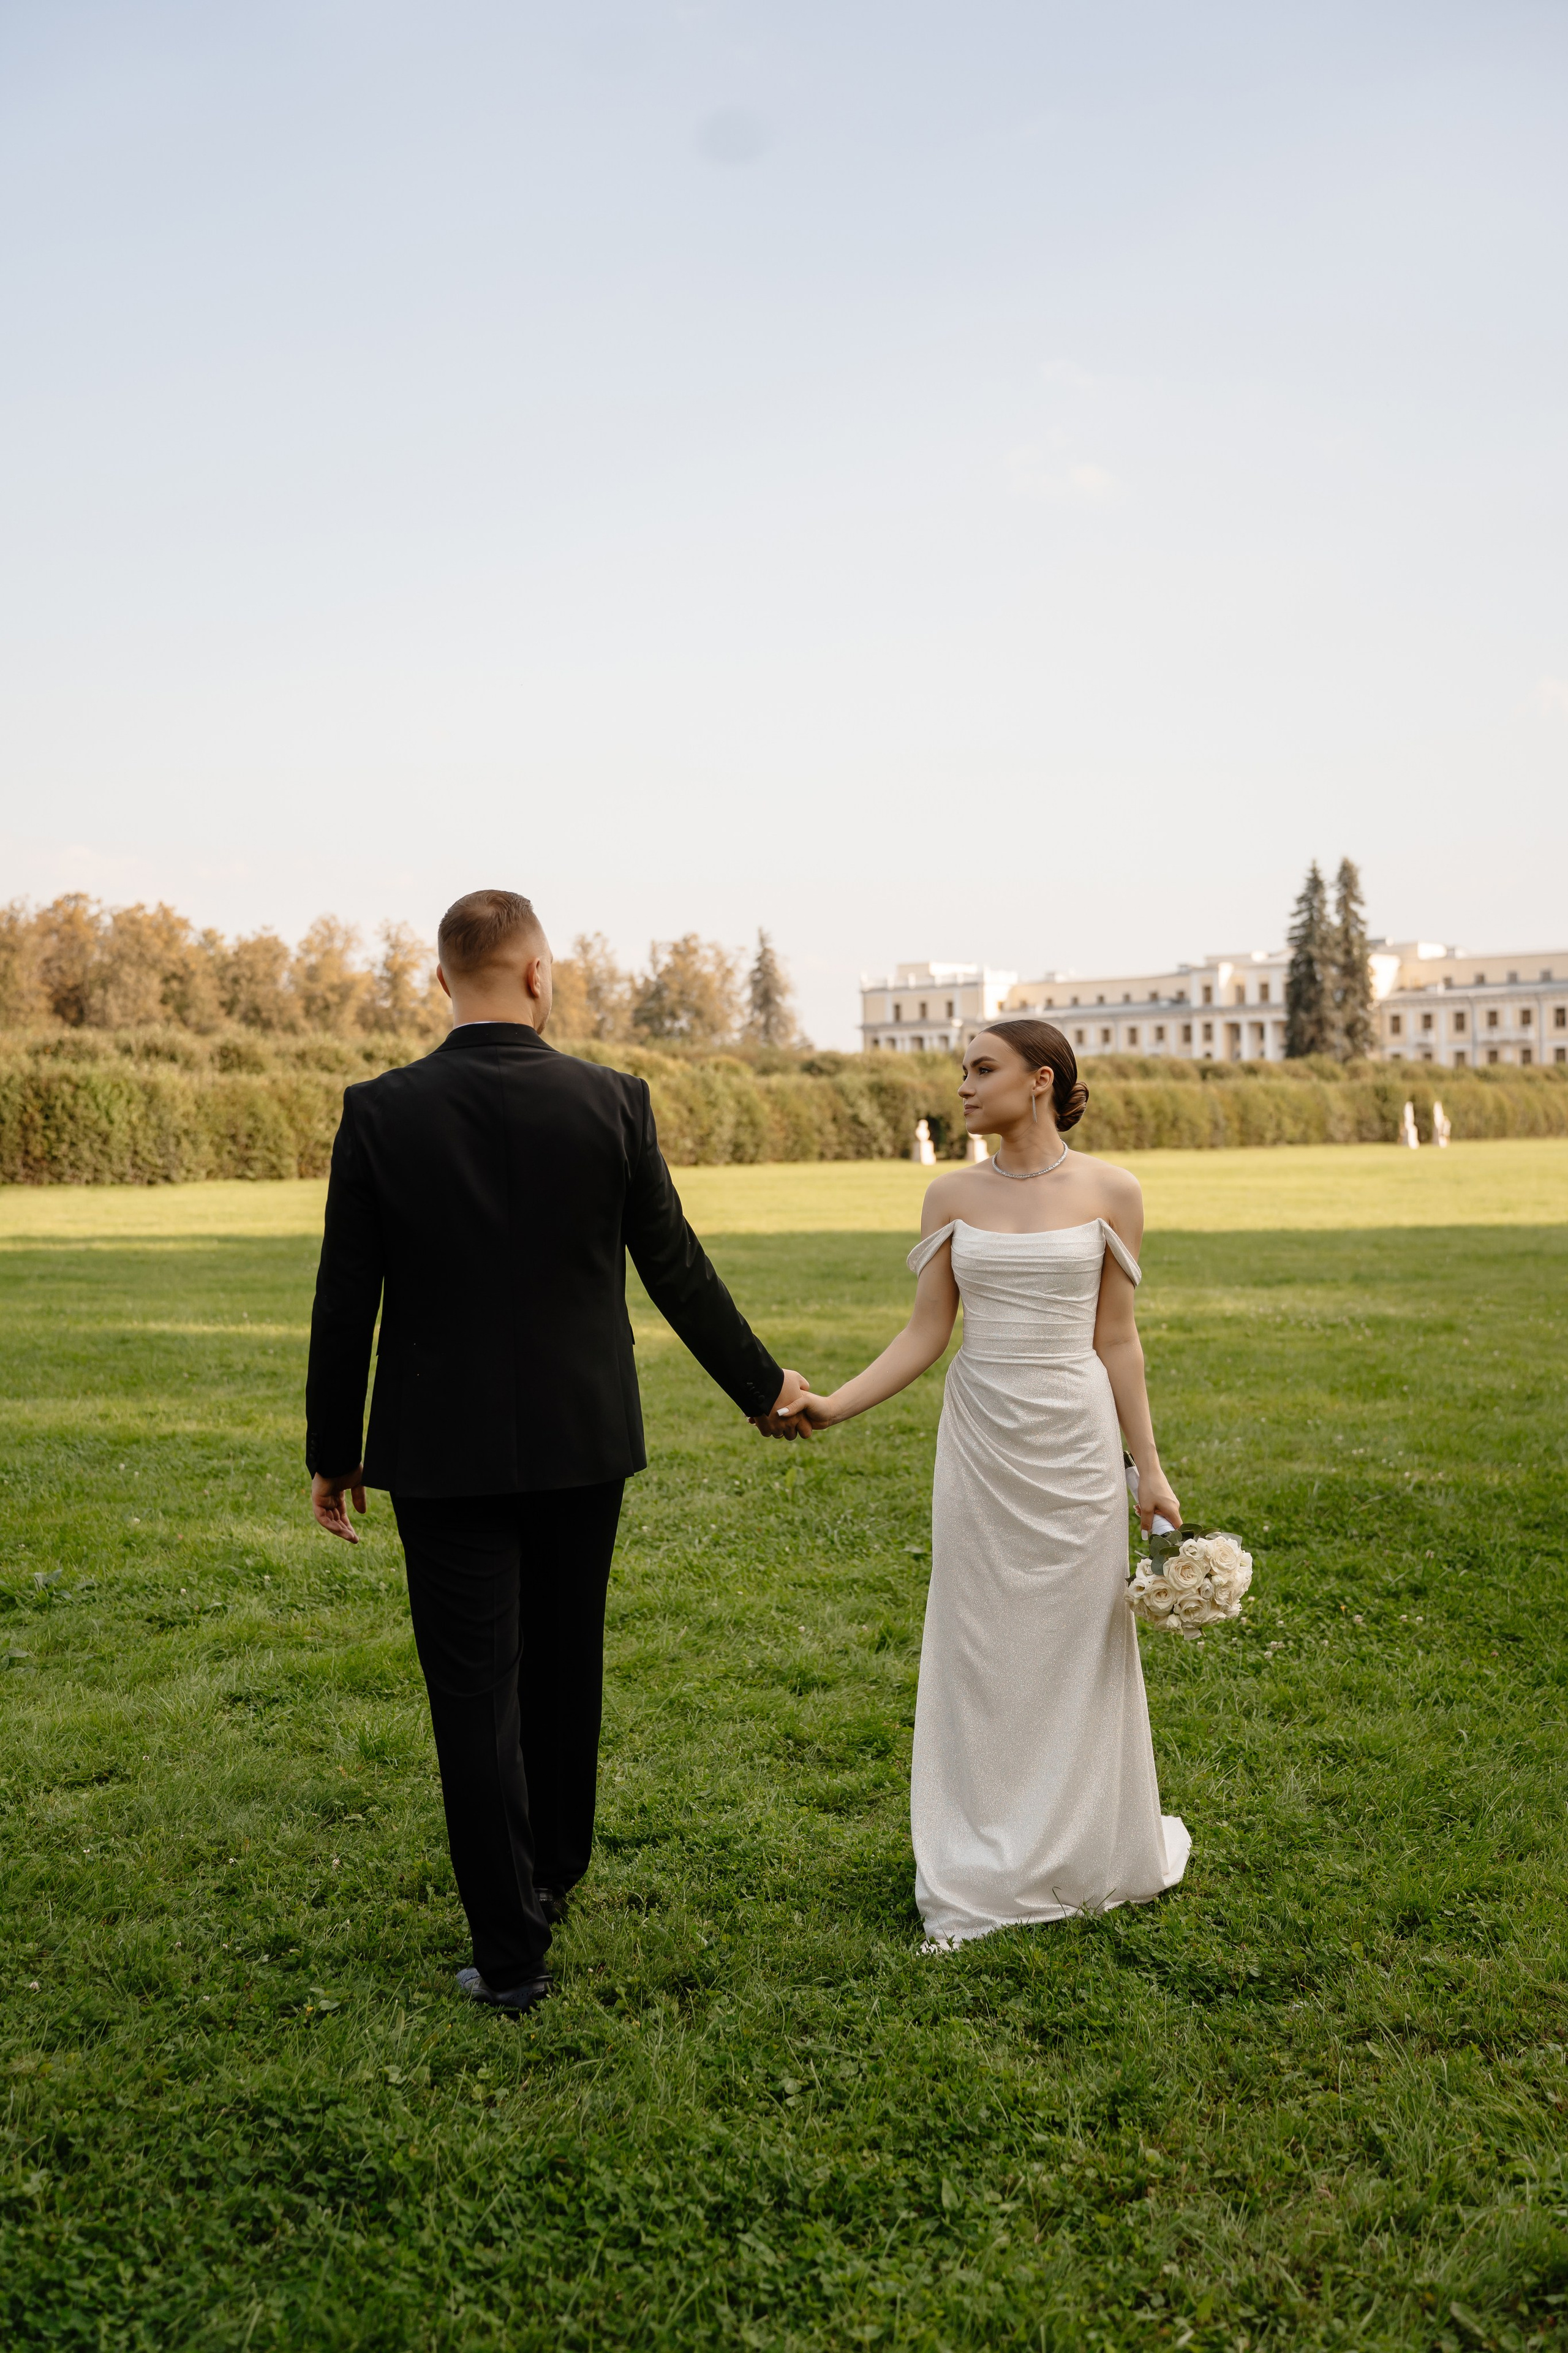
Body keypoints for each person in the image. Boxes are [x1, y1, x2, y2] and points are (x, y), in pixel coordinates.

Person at [305, 889, 809, 2013]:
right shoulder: (613, 1100)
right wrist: (764, 1386)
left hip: (439, 1450)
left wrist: (333, 1450)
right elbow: (675, 1264)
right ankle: (550, 1875)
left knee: (471, 1690)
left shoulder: (379, 1111)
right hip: (584, 1438)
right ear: (539, 973)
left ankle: (511, 1954)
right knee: (565, 1661)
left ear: (443, 980)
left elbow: (346, 1296)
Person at [783, 1018, 1189, 1947]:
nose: (963, 1086)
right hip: (982, 1440)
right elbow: (927, 1330)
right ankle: (981, 1854)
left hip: (1075, 1443)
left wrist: (1149, 1468)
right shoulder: (949, 1194)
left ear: (1040, 1079)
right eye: (962, 1070)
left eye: (981, 1069)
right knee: (981, 1641)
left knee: (1079, 1643)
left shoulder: (1114, 1191)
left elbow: (1118, 1338)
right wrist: (836, 1405)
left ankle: (1081, 1844)